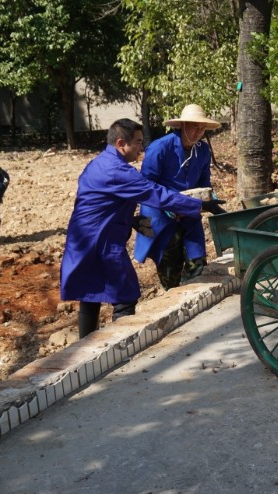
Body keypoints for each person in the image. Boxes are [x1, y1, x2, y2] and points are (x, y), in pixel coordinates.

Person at [60, 118, 216, 339]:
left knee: (90, 293)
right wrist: (199, 205)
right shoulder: (120, 171)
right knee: (126, 294)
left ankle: (85, 345)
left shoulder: (98, 163)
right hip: (102, 241)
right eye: (138, 142)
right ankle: (120, 347)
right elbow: (154, 192)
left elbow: (102, 202)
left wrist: (130, 220)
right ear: (122, 143)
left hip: (83, 238)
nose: (142, 148)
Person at [133, 104, 224, 290]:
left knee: (197, 261)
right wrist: (170, 207)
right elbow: (147, 186)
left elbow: (204, 183)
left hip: (190, 213)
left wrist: (210, 199)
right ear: (182, 126)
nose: (199, 132)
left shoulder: (203, 151)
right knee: (170, 269)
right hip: (161, 214)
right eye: (194, 127)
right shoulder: (160, 148)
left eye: (202, 128)